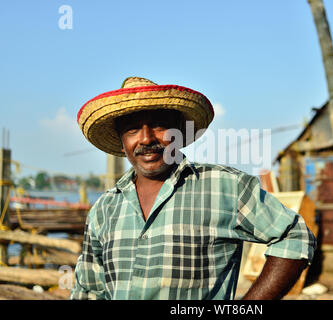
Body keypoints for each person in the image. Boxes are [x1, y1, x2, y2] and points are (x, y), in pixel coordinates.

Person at [70, 76, 316, 300]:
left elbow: (294, 236)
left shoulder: (225, 188)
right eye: (132, 129)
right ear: (122, 142)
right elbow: (89, 291)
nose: (146, 139)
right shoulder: (104, 209)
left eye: (158, 125)